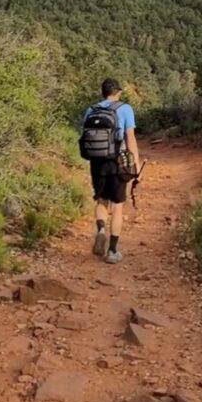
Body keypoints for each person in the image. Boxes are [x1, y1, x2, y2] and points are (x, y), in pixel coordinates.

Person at [80, 78, 139, 264]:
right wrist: (135, 164)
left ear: (103, 92)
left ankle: (101, 229)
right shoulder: (125, 109)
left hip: (96, 162)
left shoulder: (91, 110)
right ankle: (112, 251)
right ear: (118, 92)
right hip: (117, 162)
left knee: (101, 199)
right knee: (118, 206)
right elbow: (130, 138)